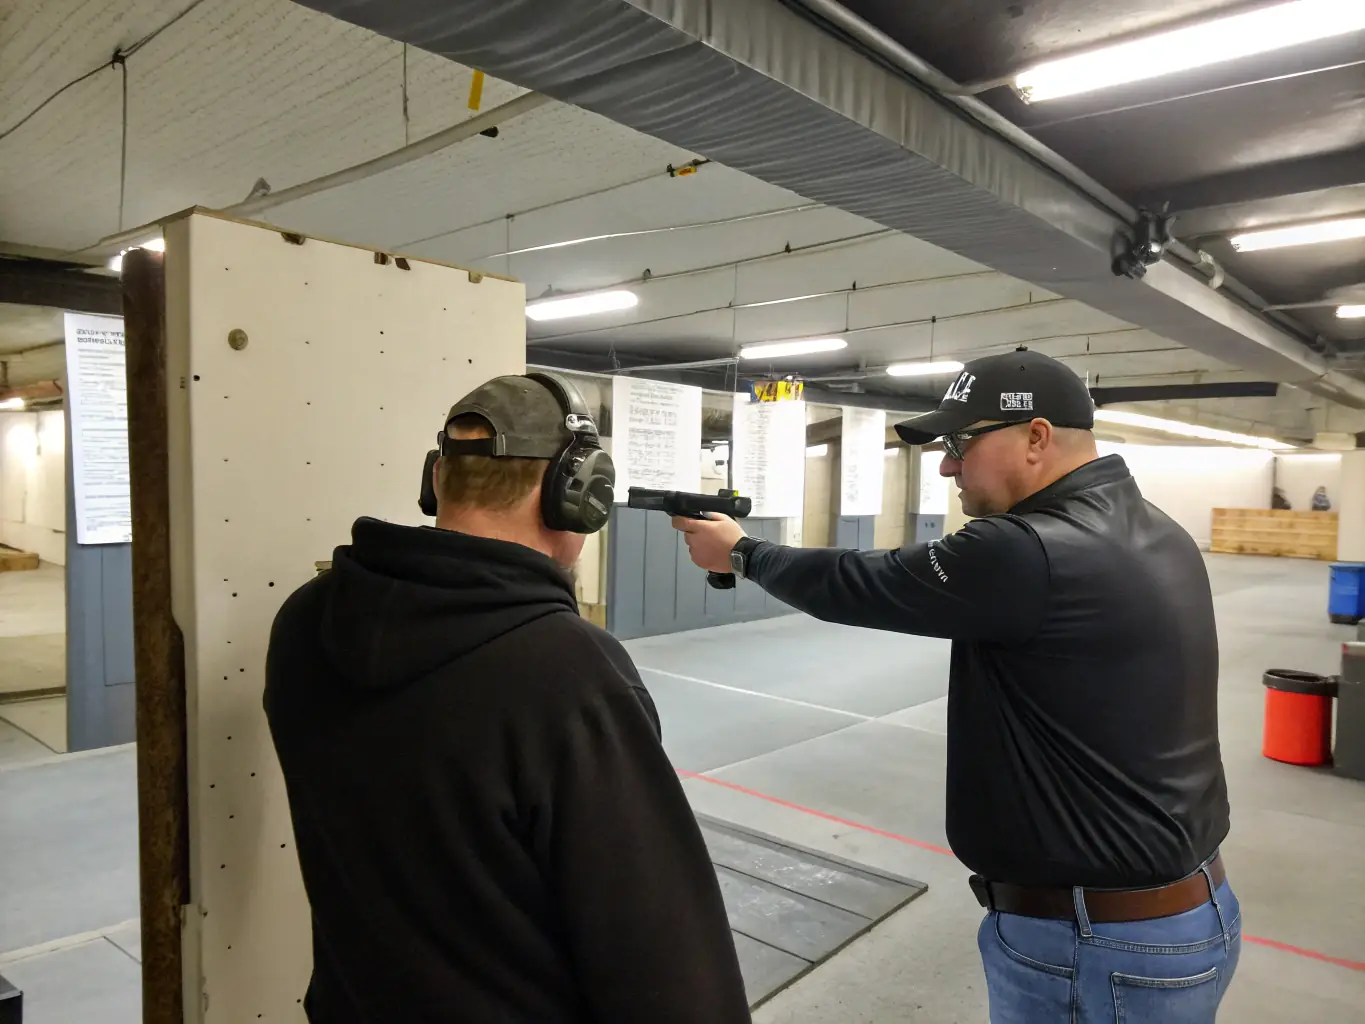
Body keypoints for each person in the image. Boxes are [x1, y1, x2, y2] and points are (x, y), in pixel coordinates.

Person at [673, 347, 1239, 1023]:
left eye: (959, 444)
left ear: (1035, 437)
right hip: (1176, 912)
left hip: (1094, 943)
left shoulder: (1028, 548)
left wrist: (742, 552)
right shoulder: (1156, 529)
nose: (945, 465)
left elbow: (860, 582)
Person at [264, 372, 751, 1024]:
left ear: (437, 478)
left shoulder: (306, 620)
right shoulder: (569, 677)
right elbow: (664, 964)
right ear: (579, 494)